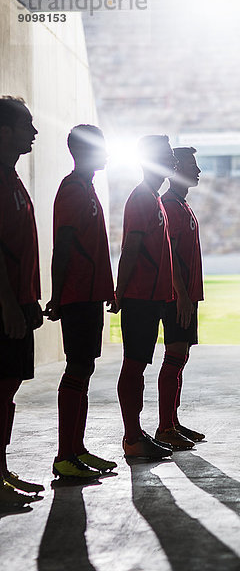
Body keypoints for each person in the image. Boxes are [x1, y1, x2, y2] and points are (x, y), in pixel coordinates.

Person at [45, 125, 117, 478]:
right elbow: (64, 247)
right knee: (76, 370)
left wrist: (107, 288)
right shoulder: (73, 189)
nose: (106, 153)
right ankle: (64, 455)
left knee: (83, 370)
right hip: (76, 296)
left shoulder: (86, 188)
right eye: (101, 148)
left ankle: (76, 448)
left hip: (89, 295)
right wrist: (58, 297)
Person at [115, 135, 178, 458]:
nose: (173, 160)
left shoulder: (152, 198)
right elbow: (131, 248)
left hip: (151, 298)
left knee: (138, 366)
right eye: (167, 155)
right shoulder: (142, 197)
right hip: (140, 296)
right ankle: (131, 436)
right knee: (134, 366)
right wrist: (121, 291)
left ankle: (135, 433)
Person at [0, 96, 44, 506]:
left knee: (8, 389)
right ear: (4, 130)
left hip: (20, 301)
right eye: (26, 124)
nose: (34, 132)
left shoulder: (14, 179)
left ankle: (1, 469)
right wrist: (10, 305)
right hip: (5, 306)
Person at [157, 147, 205, 448]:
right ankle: (164, 426)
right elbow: (169, 254)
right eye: (192, 164)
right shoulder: (169, 206)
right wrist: (182, 295)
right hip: (178, 297)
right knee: (174, 357)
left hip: (187, 295)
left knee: (181, 358)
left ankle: (172, 422)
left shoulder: (181, 205)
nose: (198, 170)